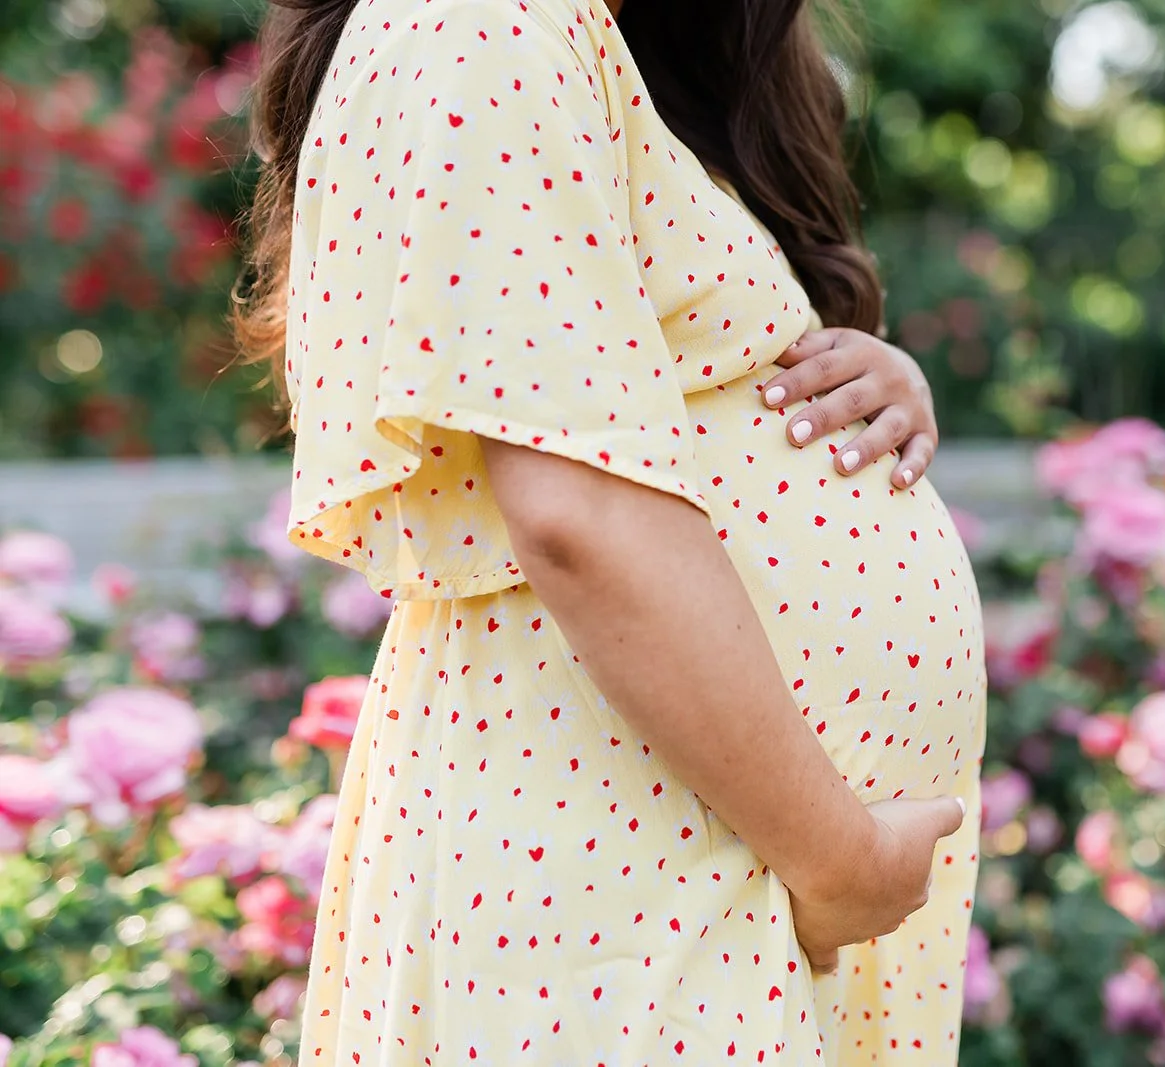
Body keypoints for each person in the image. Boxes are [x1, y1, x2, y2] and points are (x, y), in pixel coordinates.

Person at [234, 0, 987, 1061]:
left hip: (704, 856)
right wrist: (839, 859)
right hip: (632, 867)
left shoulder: (601, 44)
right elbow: (576, 512)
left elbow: (654, 396)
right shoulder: (477, 23)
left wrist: (858, 377)